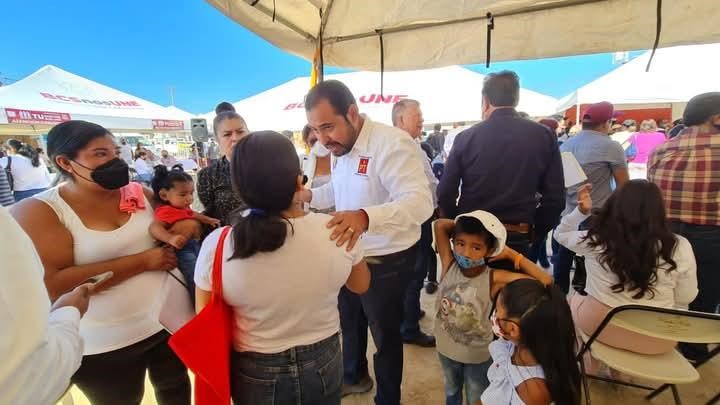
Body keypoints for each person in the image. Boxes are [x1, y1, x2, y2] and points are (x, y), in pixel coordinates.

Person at [10, 120, 191, 405]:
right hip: (101, 344)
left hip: (167, 323)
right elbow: (55, 285)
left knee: (176, 391)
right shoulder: (41, 211)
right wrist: (142, 262)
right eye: (100, 153)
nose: (114, 161)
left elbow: (175, 223)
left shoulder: (138, 192)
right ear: (65, 162)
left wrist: (185, 227)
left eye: (115, 152)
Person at [195, 131, 370, 404]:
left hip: (254, 368)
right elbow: (360, 285)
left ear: (239, 186)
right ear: (298, 180)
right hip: (323, 360)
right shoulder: (337, 230)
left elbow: (204, 315)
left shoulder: (218, 245)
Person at [300, 80, 433, 404]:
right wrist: (308, 195)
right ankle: (354, 376)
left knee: (385, 335)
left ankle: (388, 399)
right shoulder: (338, 148)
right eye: (315, 130)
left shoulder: (392, 144)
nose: (322, 139)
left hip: (387, 259)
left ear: (351, 113)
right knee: (350, 322)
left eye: (328, 127)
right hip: (350, 253)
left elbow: (420, 203)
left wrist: (365, 217)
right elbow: (338, 190)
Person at [437, 70, 565, 265]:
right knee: (515, 285)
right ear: (516, 98)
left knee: (471, 286)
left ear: (485, 101)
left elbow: (445, 192)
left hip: (473, 237)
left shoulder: (466, 137)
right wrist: (535, 231)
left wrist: (459, 227)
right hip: (518, 235)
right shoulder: (543, 135)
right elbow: (555, 198)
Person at [557, 182, 697, 358]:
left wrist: (581, 211)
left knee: (572, 300)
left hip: (599, 328)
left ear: (614, 205)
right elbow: (686, 297)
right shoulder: (679, 246)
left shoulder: (597, 240)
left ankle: (588, 362)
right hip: (658, 340)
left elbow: (560, 234)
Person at [433, 211, 553, 405]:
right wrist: (466, 224)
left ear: (489, 251)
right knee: (451, 391)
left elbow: (545, 282)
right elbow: (440, 225)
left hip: (477, 357)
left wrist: (510, 253)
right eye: (460, 243)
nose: (466, 253)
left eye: (476, 247)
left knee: (476, 396)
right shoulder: (449, 265)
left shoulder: (494, 278)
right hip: (445, 350)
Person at [648, 92, 720, 362]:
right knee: (705, 295)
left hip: (664, 232)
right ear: (717, 118)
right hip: (711, 235)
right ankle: (693, 349)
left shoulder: (661, 150)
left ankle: (662, 336)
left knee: (665, 286)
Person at [0, 207, 93, 404]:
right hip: (94, 344)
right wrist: (67, 314)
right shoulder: (36, 210)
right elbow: (53, 284)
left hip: (152, 330)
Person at [553, 101, 630, 294]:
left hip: (570, 211)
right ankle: (587, 300)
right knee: (594, 261)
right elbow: (624, 185)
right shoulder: (611, 146)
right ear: (606, 123)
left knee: (563, 256)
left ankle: (559, 296)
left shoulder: (566, 144)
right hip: (597, 213)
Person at [482, 279, 581, 405]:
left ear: (513, 329)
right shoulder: (519, 345)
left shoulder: (532, 393)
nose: (494, 315)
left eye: (497, 310)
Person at [392, 99, 438, 347]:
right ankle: (409, 328)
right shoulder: (403, 147)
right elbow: (426, 186)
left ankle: (409, 312)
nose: (422, 119)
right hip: (415, 219)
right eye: (417, 115)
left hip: (415, 217)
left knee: (411, 272)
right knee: (414, 273)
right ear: (401, 120)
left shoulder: (406, 144)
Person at [149, 165, 220, 301]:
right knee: (194, 275)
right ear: (164, 195)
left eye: (191, 193)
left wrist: (209, 220)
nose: (189, 198)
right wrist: (170, 238)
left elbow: (194, 214)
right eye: (183, 194)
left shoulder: (182, 208)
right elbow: (154, 227)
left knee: (204, 271)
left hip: (194, 244)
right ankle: (200, 302)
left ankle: (211, 298)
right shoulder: (165, 211)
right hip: (182, 250)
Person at [197, 110, 249, 225]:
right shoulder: (208, 175)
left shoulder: (267, 165)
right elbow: (210, 213)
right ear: (217, 140)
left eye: (240, 132)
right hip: (227, 233)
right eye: (227, 134)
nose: (235, 138)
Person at [300, 124, 333, 213]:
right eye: (313, 141)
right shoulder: (302, 162)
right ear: (307, 143)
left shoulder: (341, 161)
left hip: (338, 214)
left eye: (321, 139)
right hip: (310, 215)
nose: (319, 144)